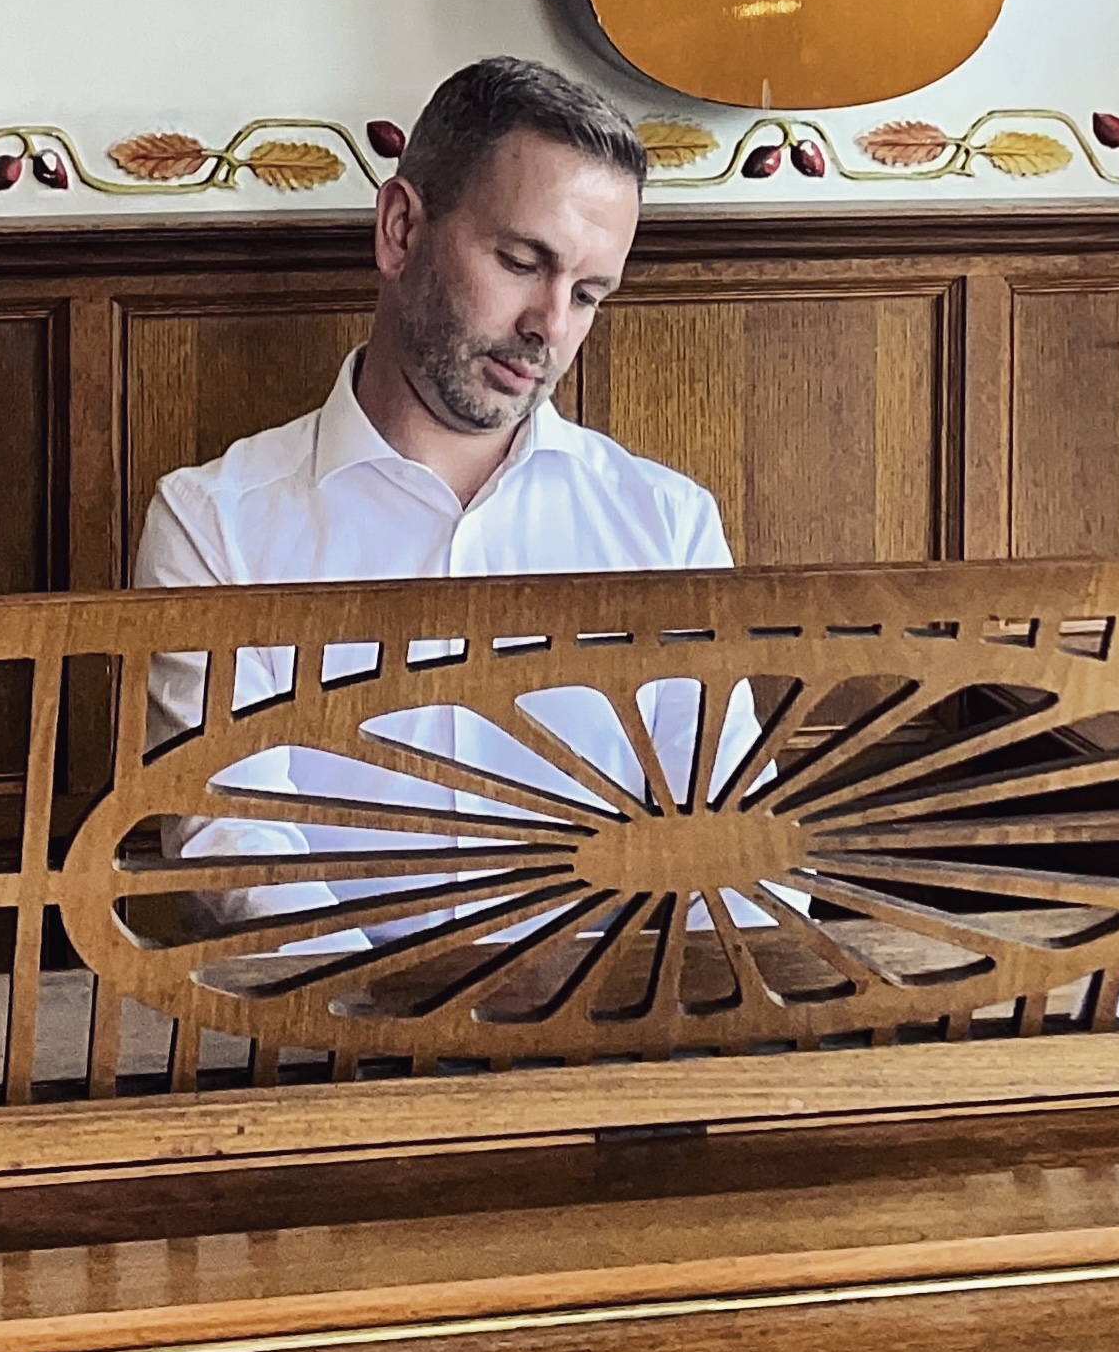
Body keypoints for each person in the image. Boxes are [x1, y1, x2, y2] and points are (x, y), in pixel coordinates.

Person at [132, 56, 737, 931]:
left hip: (615, 1039)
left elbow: (728, 836)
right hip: (329, 1043)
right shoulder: (213, 525)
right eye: (523, 261)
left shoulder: (670, 524)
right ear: (401, 229)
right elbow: (236, 838)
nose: (551, 325)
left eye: (589, 293)